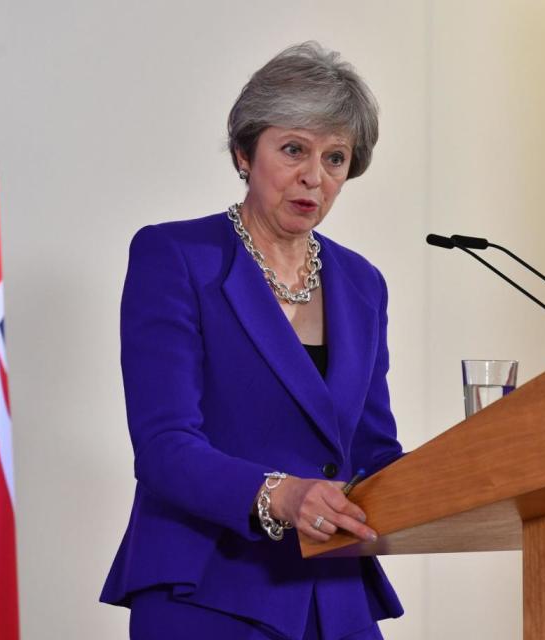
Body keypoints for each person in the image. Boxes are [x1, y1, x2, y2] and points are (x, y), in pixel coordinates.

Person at [100, 41, 405, 640]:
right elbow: (164, 447)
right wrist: (281, 496)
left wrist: (483, 469)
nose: (314, 177)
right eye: (293, 149)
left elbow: (374, 451)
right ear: (244, 152)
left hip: (333, 599)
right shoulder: (176, 257)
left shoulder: (363, 285)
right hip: (210, 588)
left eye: (336, 158)